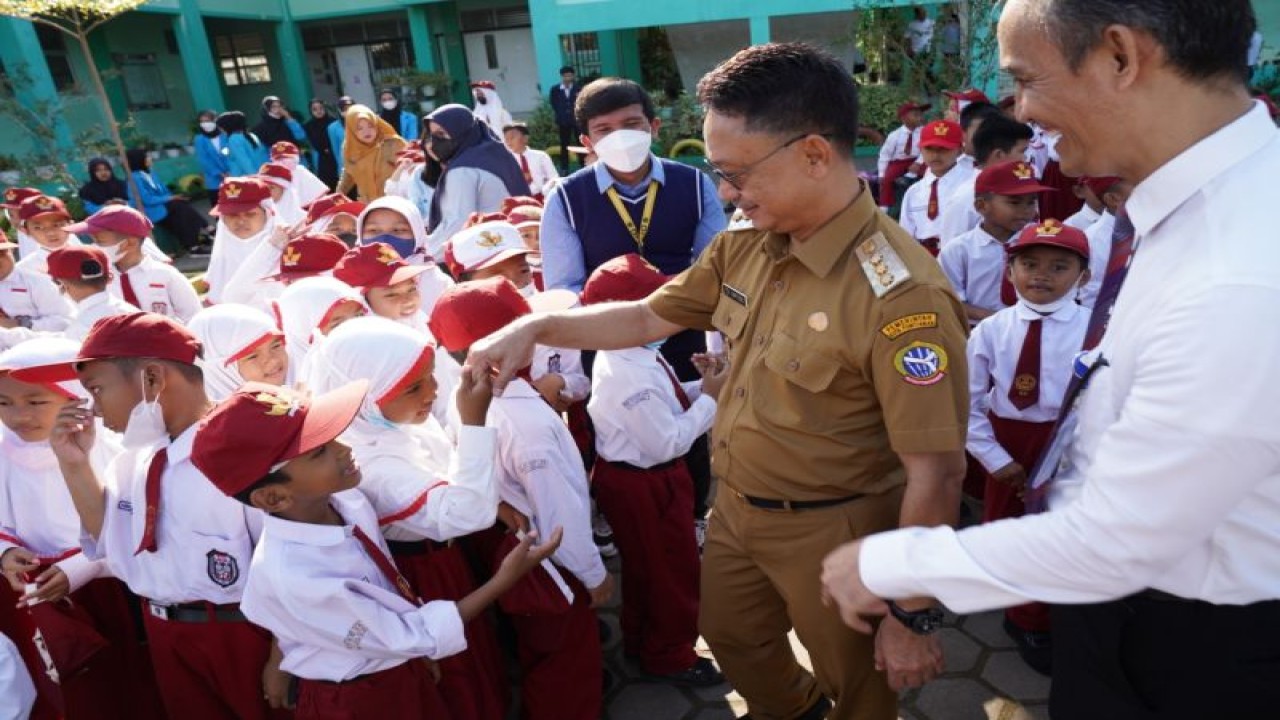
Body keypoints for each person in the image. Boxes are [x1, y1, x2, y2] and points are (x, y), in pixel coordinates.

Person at [467, 43, 970, 720]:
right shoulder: (748, 243)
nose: (726, 191)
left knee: (860, 689)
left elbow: (936, 473)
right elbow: (649, 313)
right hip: (734, 510)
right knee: (732, 639)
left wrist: (911, 615)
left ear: (815, 155)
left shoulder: (901, 296)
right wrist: (537, 328)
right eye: (718, 171)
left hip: (835, 528)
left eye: (737, 173)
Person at [819, 2, 1280, 718]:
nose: (1022, 114)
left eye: (1026, 80)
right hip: (1127, 606)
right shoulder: (1195, 204)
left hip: (1188, 634)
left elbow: (1120, 538)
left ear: (1120, 57)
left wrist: (886, 563)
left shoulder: (1240, 267)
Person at [189, 379, 557, 720]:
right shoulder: (296, 575)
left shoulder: (345, 501)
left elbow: (386, 602)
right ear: (273, 496)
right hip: (356, 698)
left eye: (333, 436)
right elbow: (413, 634)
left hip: (392, 666)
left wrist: (404, 657)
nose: (345, 449)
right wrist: (504, 579)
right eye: (319, 452)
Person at [16, 313, 283, 720]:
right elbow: (109, 541)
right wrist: (74, 465)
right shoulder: (135, 459)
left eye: (98, 389)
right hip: (166, 630)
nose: (95, 408)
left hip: (243, 632)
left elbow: (284, 562)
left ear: (153, 379)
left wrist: (281, 654)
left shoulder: (240, 454)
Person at [305, 317, 509, 720]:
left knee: (475, 655)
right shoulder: (370, 460)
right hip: (420, 573)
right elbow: (470, 512)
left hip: (441, 555)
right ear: (365, 397)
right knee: (455, 671)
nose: (433, 392)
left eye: (431, 376)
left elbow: (444, 470)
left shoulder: (393, 420)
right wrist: (473, 423)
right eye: (413, 387)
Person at [429, 277, 607, 720]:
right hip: (548, 557)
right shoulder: (528, 424)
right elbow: (560, 512)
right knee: (564, 658)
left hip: (509, 545)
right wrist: (594, 573)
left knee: (533, 641)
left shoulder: (465, 394)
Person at [581, 253, 726, 686]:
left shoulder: (631, 354)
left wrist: (700, 386)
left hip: (640, 479)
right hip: (645, 483)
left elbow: (664, 402)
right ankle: (669, 656)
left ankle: (643, 640)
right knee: (672, 572)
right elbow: (668, 440)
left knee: (648, 570)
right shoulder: (629, 372)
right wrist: (712, 399)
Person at [0, 338, 164, 720]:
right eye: (4, 403)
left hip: (101, 590)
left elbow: (130, 528)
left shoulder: (112, 451)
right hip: (24, 592)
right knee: (48, 684)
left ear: (75, 397)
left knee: (116, 683)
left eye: (36, 402)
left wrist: (79, 567)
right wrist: (5, 553)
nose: (18, 415)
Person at [965, 221, 1091, 675]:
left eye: (1060, 266)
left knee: (1059, 528)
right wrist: (995, 459)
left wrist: (1075, 454)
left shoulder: (1096, 333)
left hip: (1069, 442)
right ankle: (1022, 616)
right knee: (1008, 527)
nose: (1042, 275)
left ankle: (1051, 609)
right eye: (1029, 264)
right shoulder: (992, 330)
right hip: (1008, 439)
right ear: (1010, 270)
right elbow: (967, 399)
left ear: (1084, 278)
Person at [420, 104, 530, 255]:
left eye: (441, 134)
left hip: (487, 253)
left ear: (461, 132)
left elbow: (458, 224)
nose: (434, 142)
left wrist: (426, 256)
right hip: (515, 244)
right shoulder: (495, 155)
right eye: (432, 135)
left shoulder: (462, 170)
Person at [67, 205, 200, 322]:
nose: (94, 246)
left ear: (130, 243)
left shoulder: (165, 275)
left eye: (100, 241)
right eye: (93, 240)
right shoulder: (96, 279)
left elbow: (193, 316)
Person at [936, 114, 1034, 245]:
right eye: (1023, 151)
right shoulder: (966, 196)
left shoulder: (1025, 186)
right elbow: (951, 250)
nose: (1026, 158)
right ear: (999, 155)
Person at [204, 177, 282, 304]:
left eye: (250, 214)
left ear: (268, 213)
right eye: (232, 215)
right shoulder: (222, 259)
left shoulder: (290, 250)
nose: (240, 221)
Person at [187, 304, 289, 401]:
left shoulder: (293, 404)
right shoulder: (223, 419)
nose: (273, 360)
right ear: (220, 372)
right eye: (252, 356)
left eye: (276, 346)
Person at [899, 120, 971, 255]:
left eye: (944, 149)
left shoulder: (971, 184)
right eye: (929, 148)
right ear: (920, 150)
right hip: (923, 257)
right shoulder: (914, 191)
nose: (935, 155)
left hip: (961, 254)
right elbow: (906, 233)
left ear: (960, 150)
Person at [123, 149, 213, 255]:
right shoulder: (134, 178)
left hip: (162, 205)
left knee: (181, 207)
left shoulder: (151, 173)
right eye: (146, 157)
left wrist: (173, 197)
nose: (149, 159)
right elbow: (146, 199)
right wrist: (169, 198)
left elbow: (164, 191)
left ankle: (194, 245)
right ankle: (206, 229)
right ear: (138, 160)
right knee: (178, 206)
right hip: (148, 209)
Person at [46, 245, 138, 341]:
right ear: (109, 278)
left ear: (63, 284)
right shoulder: (130, 310)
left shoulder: (83, 326)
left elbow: (68, 343)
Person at [0, 234, 72, 351]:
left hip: (36, 354)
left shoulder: (36, 281)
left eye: (1, 253)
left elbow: (64, 322)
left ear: (11, 250)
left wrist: (21, 323)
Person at [1077, 175, 1133, 308]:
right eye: (1136, 189)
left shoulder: (1145, 226)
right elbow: (1092, 295)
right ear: (1113, 199)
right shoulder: (1092, 239)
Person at [336, 104, 406, 202]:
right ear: (351, 130)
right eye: (360, 128)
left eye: (370, 126)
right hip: (368, 204)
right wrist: (338, 194)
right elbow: (349, 172)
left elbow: (410, 167)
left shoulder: (392, 143)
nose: (367, 131)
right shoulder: (350, 147)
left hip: (394, 201)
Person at [877, 101, 929, 211]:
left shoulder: (924, 132)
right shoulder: (895, 135)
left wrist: (918, 162)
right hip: (899, 162)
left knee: (930, 172)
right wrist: (881, 173)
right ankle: (884, 206)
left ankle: (926, 200)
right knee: (887, 179)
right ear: (904, 118)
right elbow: (885, 154)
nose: (919, 118)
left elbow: (926, 149)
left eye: (920, 115)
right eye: (915, 115)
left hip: (918, 158)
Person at [504, 122, 560, 199]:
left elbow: (554, 177)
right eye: (506, 139)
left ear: (525, 138)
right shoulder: (506, 161)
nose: (508, 142)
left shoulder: (541, 156)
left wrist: (546, 192)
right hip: (517, 199)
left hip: (542, 196)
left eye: (512, 137)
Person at [215, 110, 269, 177]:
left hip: (245, 177)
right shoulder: (251, 135)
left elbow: (244, 160)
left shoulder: (234, 139)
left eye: (220, 127)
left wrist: (255, 176)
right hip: (261, 172)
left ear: (227, 126)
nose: (220, 130)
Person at [549, 66, 582, 173]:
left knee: (580, 142)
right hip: (563, 121)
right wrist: (560, 114)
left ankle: (583, 165)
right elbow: (554, 103)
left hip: (577, 120)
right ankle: (564, 167)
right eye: (566, 75)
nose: (568, 78)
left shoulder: (579, 88)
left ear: (573, 76)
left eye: (570, 75)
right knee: (564, 144)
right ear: (562, 76)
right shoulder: (555, 89)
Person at [303, 99, 340, 189]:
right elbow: (314, 142)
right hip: (323, 159)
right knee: (327, 186)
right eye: (315, 109)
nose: (319, 111)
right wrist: (324, 149)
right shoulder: (308, 126)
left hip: (337, 157)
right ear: (311, 111)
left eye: (321, 108)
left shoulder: (334, 122)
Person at [193, 110, 230, 194]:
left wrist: (229, 170)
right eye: (202, 121)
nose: (204, 124)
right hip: (214, 181)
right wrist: (220, 174)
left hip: (231, 175)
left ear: (215, 120)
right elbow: (204, 159)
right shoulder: (199, 139)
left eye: (207, 121)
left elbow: (228, 154)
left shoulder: (224, 136)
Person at [328, 96, 355, 178]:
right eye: (344, 108)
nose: (348, 110)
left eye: (351, 108)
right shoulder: (333, 127)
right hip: (346, 165)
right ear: (339, 110)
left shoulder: (363, 122)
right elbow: (336, 150)